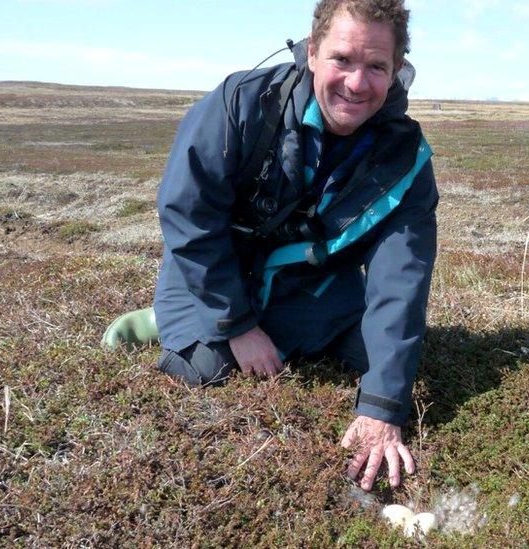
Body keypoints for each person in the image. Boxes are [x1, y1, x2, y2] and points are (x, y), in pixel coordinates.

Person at [152, 0, 436, 492]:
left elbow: (401, 280)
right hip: (219, 273)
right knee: (207, 368)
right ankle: (156, 319)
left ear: (396, 72)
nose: (356, 82)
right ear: (311, 52)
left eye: (376, 66)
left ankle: (282, 334)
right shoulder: (240, 103)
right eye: (342, 59)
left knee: (379, 366)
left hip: (310, 284)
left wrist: (382, 409)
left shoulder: (404, 157)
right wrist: (237, 326)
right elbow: (189, 216)